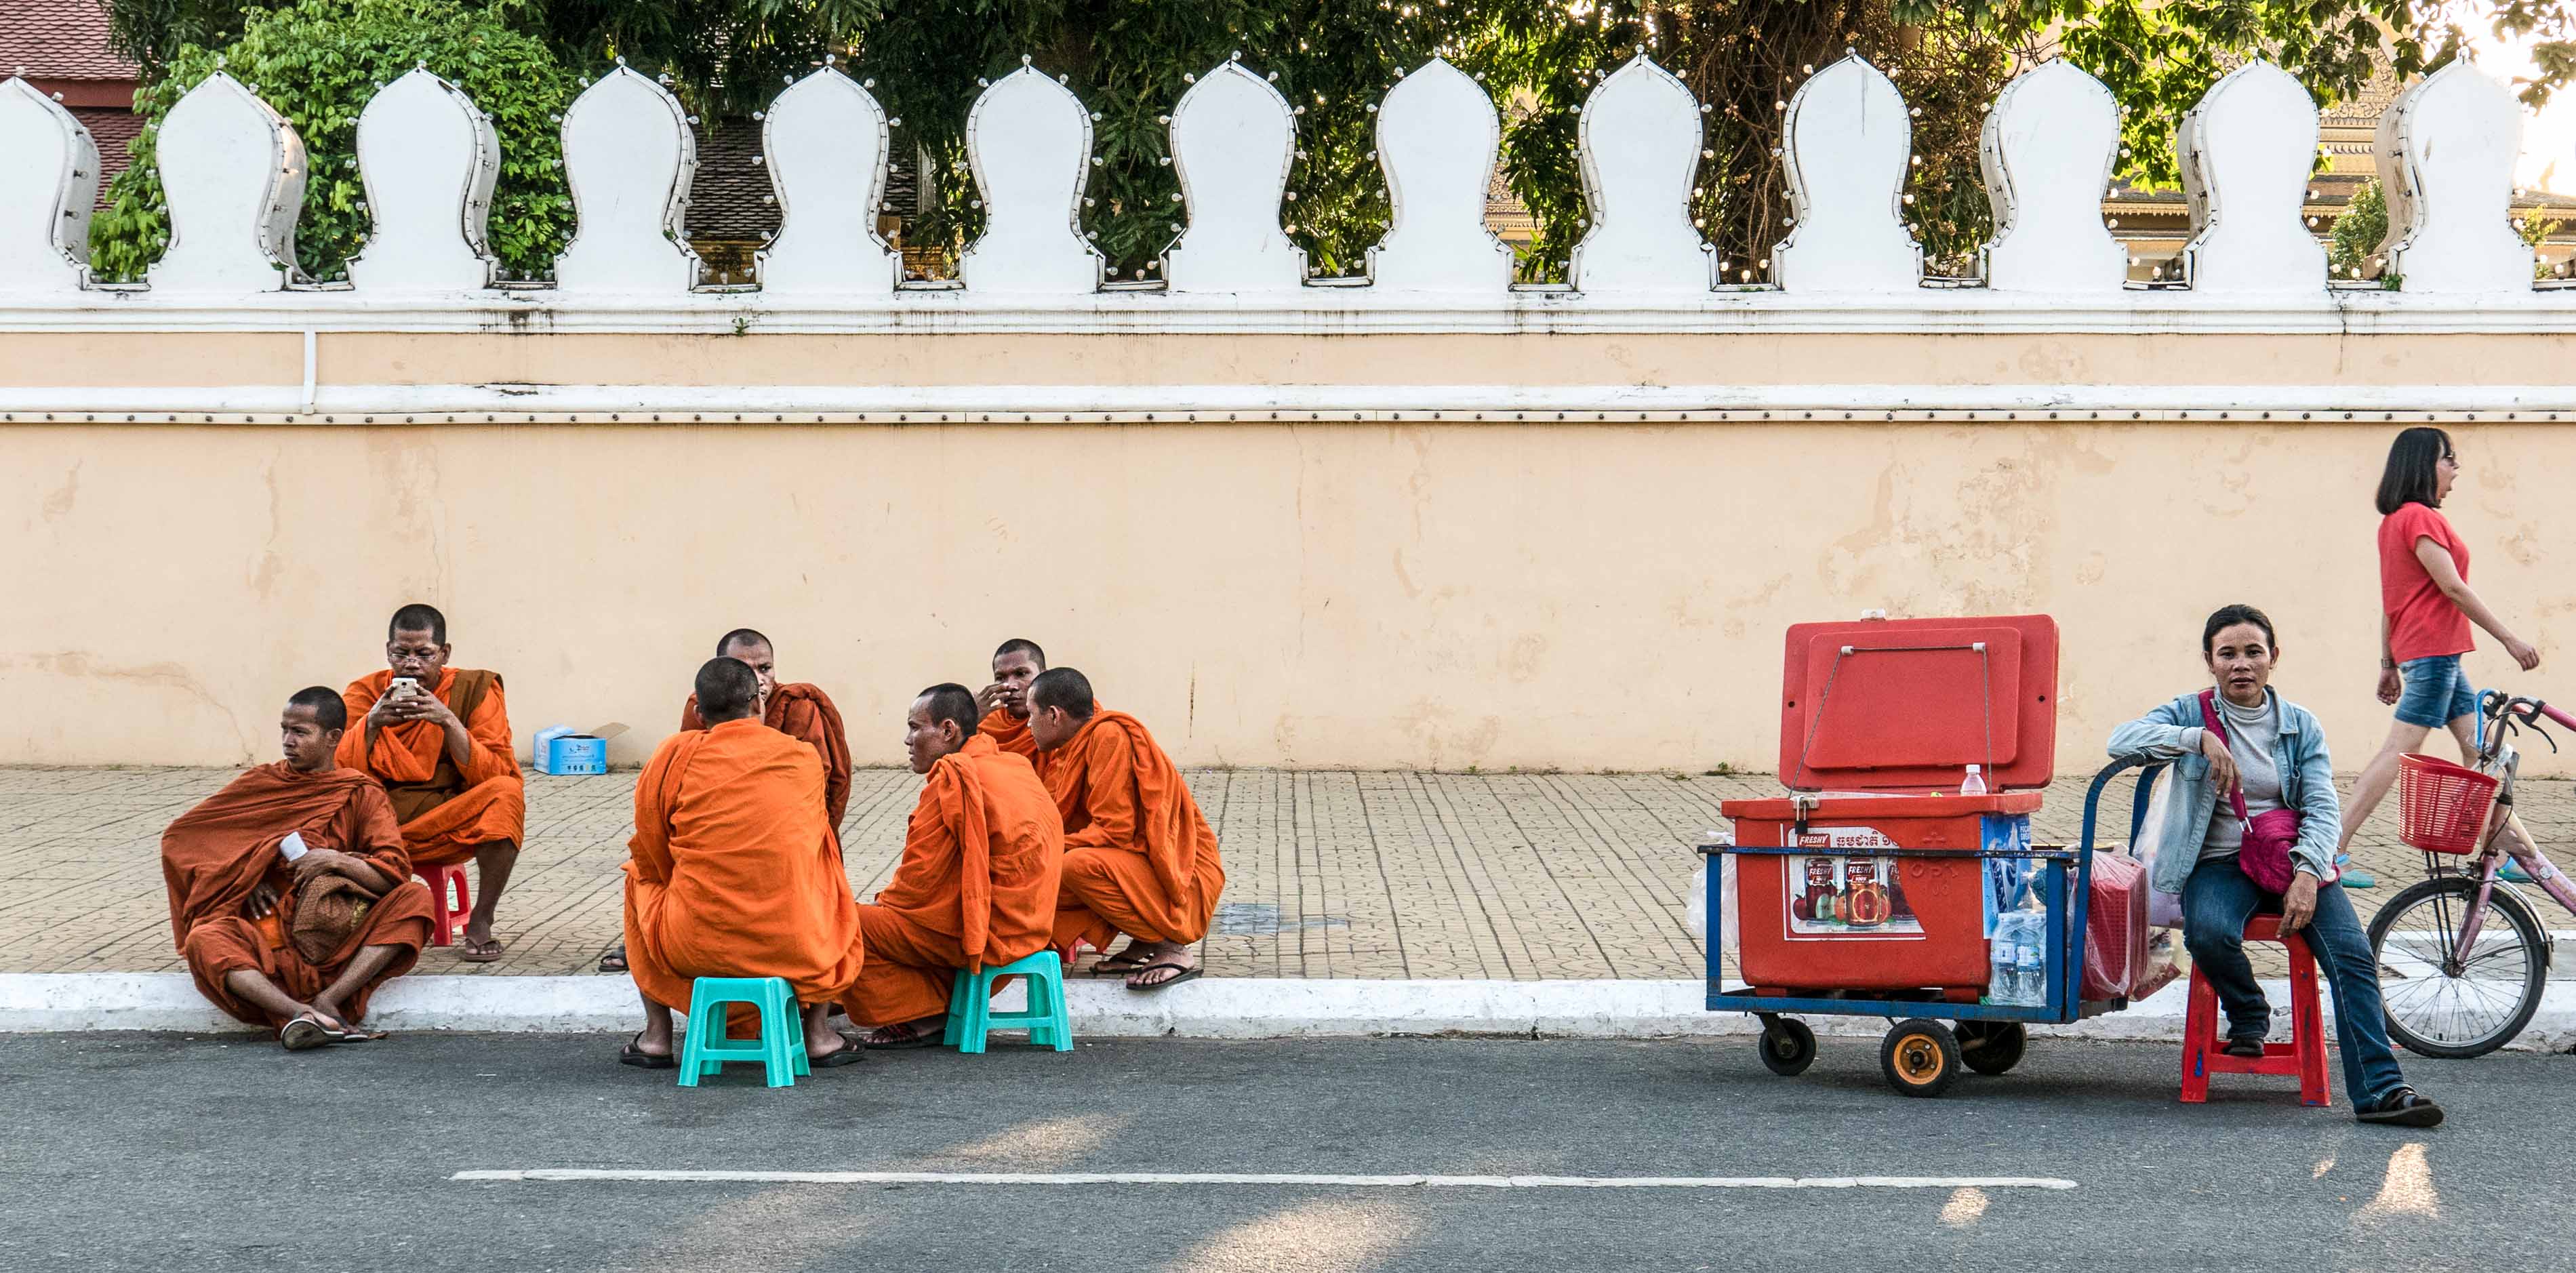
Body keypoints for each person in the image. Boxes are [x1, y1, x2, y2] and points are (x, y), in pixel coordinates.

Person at [2110, 604, 2442, 1127]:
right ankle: (2249, 1010)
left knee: (2352, 958)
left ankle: (2382, 1091)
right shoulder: (2191, 712)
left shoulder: (2299, 725)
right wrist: (2194, 738)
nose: (2241, 664)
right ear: (2210, 661)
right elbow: (2119, 740)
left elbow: (2322, 806)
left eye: (2252, 652)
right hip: (2220, 863)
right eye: (2228, 654)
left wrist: (2309, 874)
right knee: (2209, 933)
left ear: (2273, 658)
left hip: (2294, 861)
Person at [618, 658, 866, 1070]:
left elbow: (652, 845)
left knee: (638, 876)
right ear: (759, 705)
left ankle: (657, 1039)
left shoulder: (673, 754)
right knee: (826, 869)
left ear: (699, 713)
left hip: (693, 946)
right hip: (797, 946)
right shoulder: (801, 758)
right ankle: (819, 1035)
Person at [161, 687, 436, 1049]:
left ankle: (329, 1000)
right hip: (266, 942)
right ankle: (298, 1013)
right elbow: (182, 838)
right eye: (284, 730)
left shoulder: (361, 794)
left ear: (333, 738)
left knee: (416, 898)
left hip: (338, 938)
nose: (288, 742)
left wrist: (335, 860)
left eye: (301, 733)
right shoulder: (261, 784)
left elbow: (393, 874)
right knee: (205, 939)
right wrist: (245, 871)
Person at [2335, 428, 2544, 887]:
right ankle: (2331, 848)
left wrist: (2389, 664)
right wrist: (2510, 639)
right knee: (2399, 751)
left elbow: (2393, 602)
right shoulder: (2419, 518)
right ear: (2424, 465)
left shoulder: (2395, 522)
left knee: (2481, 753)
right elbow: (2451, 586)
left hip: (2432, 656)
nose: (2455, 470)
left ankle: (2513, 850)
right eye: (2449, 460)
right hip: (2434, 657)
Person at [600, 628, 855, 973]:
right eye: (745, 669)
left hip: (752, 876)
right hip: (788, 923)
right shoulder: (704, 705)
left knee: (640, 872)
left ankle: (658, 1022)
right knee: (823, 878)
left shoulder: (797, 707)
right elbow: (682, 787)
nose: (759, 680)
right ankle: (817, 1020)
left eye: (765, 669)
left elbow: (823, 796)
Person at [843, 683, 1066, 1048]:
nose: (908, 740)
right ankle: (935, 1009)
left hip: (983, 937)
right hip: (1030, 928)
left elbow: (918, 883)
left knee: (845, 920)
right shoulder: (1014, 766)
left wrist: (884, 906)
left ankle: (925, 1016)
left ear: (948, 731)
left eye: (916, 727)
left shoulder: (953, 779)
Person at [338, 603, 524, 961]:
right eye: (400, 654)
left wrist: (449, 722)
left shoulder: (475, 689)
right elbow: (337, 772)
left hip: (448, 814)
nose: (411, 665)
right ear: (387, 651)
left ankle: (481, 921)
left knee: (506, 795)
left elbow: (497, 772)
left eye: (424, 654)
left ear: (444, 653)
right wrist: (371, 725)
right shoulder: (364, 694)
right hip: (380, 823)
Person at [1028, 668, 1225, 989]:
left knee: (1074, 867)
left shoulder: (1108, 737)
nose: (1027, 724)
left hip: (1184, 874)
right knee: (1043, 876)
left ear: (1053, 715)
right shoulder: (1075, 745)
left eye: (1032, 715)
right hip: (1146, 862)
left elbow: (1115, 830)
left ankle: (1172, 949)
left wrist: (1049, 845)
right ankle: (1145, 941)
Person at [975, 639, 1047, 764]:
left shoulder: (1067, 718)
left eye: (1021, 674)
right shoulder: (985, 727)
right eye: (1000, 678)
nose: (1010, 685)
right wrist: (969, 721)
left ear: (1044, 675)